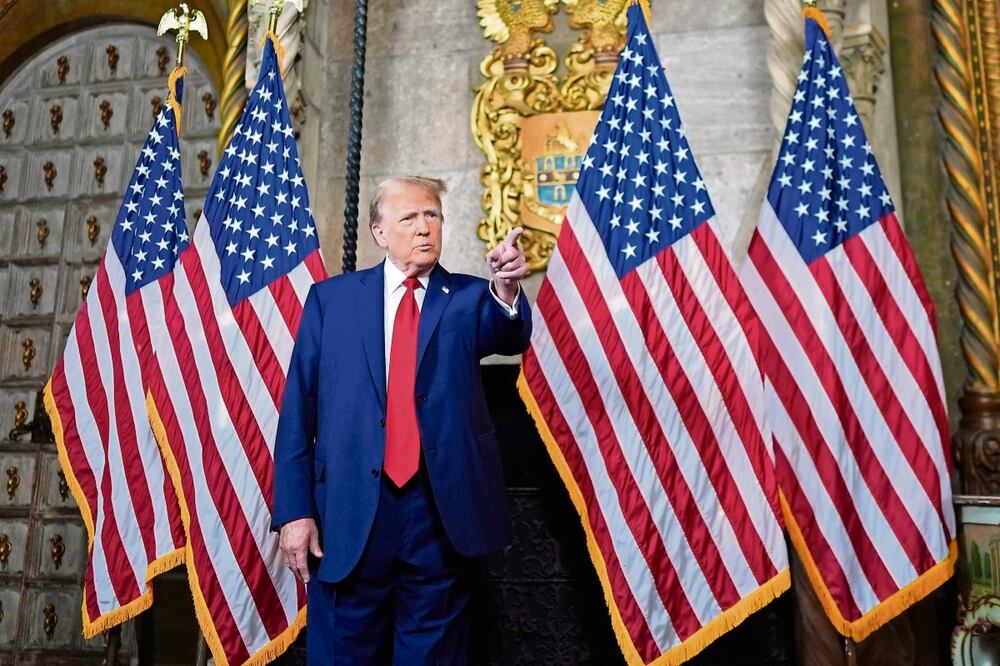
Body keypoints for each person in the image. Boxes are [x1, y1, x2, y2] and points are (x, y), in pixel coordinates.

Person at [271, 175, 531, 664]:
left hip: (439, 514)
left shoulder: (472, 298)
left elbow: (506, 333)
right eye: (409, 217)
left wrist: (506, 287)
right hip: (348, 515)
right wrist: (294, 510)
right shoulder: (332, 301)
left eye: (432, 215)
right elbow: (298, 409)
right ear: (379, 231)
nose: (424, 227)